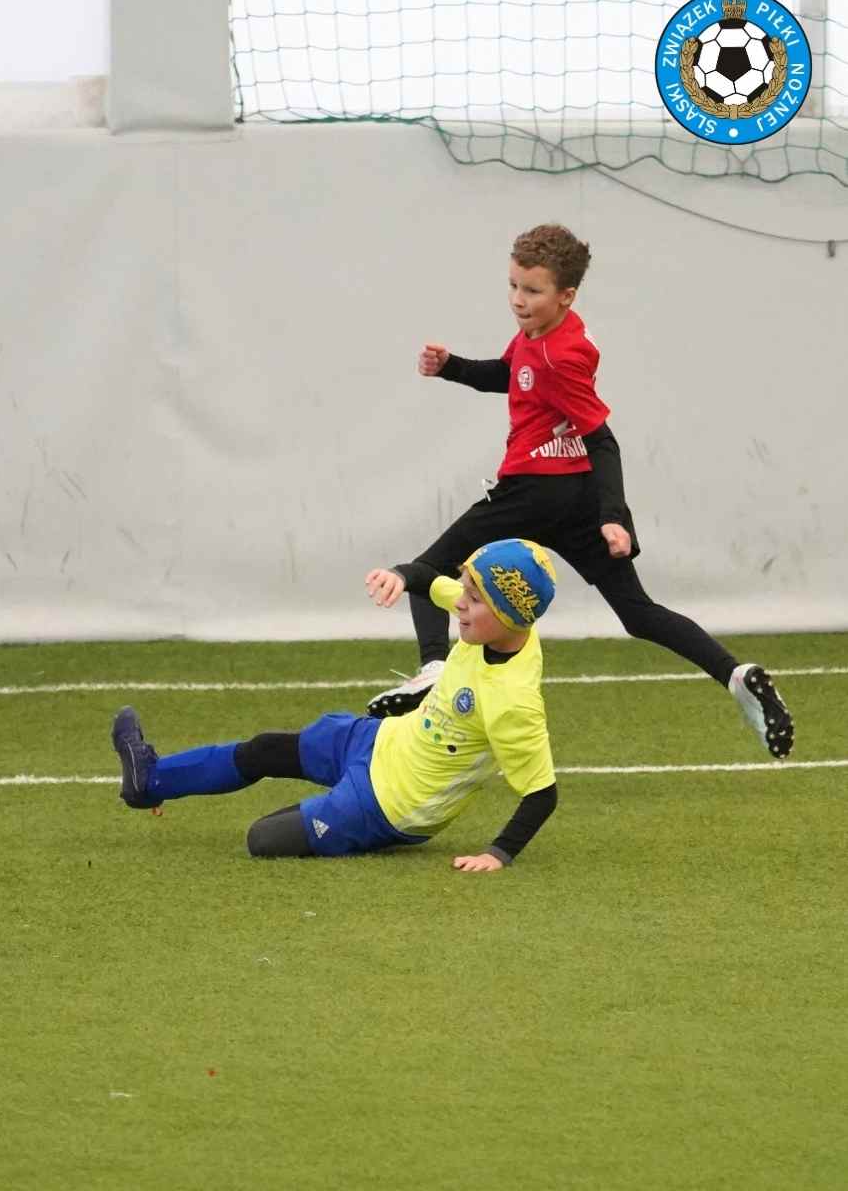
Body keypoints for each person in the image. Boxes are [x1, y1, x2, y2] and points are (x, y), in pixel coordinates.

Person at [365, 223, 792, 760]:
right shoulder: (546, 333)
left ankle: (433, 668)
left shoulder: (559, 356)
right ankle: (736, 676)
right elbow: (511, 374)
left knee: (427, 570)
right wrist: (452, 368)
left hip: (534, 490)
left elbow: (601, 438)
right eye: (514, 285)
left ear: (565, 295)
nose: (518, 300)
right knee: (638, 612)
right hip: (575, 496)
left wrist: (615, 515)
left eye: (532, 290)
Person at [114, 540, 561, 871]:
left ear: (509, 615)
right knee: (265, 749)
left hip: (389, 805)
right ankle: (149, 780)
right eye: (464, 589)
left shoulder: (513, 700)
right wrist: (400, 576)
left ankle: (335, 812)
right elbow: (428, 581)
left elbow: (542, 793)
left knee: (262, 839)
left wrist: (498, 854)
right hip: (380, 740)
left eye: (474, 599)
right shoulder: (494, 619)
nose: (460, 603)